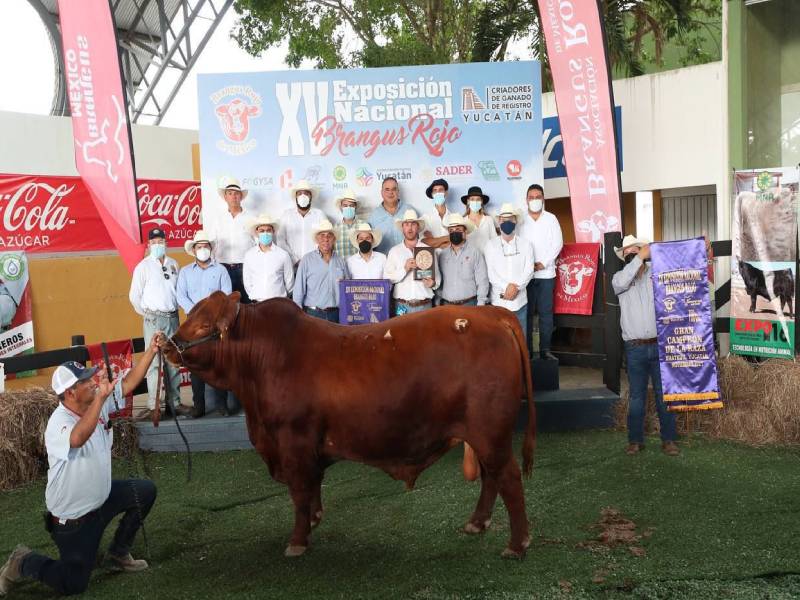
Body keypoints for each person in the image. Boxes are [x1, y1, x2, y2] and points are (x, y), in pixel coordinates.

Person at [0, 338, 162, 596]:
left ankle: (118, 552)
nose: (93, 383)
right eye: (85, 381)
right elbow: (77, 437)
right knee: (73, 584)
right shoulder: (58, 423)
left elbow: (129, 383)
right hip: (74, 520)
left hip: (102, 497)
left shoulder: (93, 401)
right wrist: (101, 400)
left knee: (145, 491)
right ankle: (23, 561)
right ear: (71, 393)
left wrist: (152, 351)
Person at [612, 235, 679, 457]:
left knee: (664, 396)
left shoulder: (658, 276)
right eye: (629, 255)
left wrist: (702, 252)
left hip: (659, 344)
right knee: (637, 396)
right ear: (626, 259)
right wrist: (639, 258)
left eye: (637, 252)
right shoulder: (619, 279)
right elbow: (622, 281)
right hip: (635, 348)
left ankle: (668, 440)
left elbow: (682, 270)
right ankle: (635, 440)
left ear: (646, 255)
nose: (634, 257)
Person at [128, 228, 188, 420]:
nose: (157, 245)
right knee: (153, 362)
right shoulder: (143, 267)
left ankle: (174, 403)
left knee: (173, 360)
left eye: (160, 241)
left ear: (166, 243)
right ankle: (154, 406)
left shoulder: (174, 264)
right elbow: (134, 297)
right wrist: (148, 314)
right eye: (154, 242)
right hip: (154, 317)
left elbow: (177, 291)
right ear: (148, 245)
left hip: (172, 316)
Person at [176, 230, 232, 418]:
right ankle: (198, 406)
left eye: (206, 246)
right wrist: (197, 314)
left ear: (210, 248)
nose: (203, 249)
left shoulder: (221, 270)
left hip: (215, 326)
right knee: (196, 367)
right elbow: (181, 295)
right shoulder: (184, 273)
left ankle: (222, 405)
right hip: (193, 328)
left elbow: (226, 295)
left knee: (219, 364)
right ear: (194, 249)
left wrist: (211, 315)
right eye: (199, 247)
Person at [518, 184, 564, 361]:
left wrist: (543, 264)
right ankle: (527, 351)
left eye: (538, 197)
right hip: (526, 276)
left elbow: (557, 244)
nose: (535, 200)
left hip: (546, 275)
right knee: (527, 313)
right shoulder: (520, 220)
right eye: (531, 197)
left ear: (543, 199)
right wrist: (529, 265)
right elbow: (518, 245)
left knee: (546, 313)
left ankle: (545, 349)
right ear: (526, 200)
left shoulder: (551, 219)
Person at [484, 203, 535, 340]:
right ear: (499, 221)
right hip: (499, 303)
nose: (507, 223)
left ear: (516, 221)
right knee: (500, 342)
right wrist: (507, 287)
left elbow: (529, 270)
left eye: (510, 219)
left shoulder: (526, 244)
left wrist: (516, 287)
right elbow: (491, 272)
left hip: (520, 303)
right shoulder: (490, 245)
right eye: (503, 220)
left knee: (520, 340)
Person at [204, 176, 254, 303]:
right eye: (230, 193)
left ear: (241, 196)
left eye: (236, 193)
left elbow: (258, 243)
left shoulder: (251, 219)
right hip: (222, 267)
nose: (233, 196)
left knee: (246, 305)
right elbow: (211, 244)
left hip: (245, 268)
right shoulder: (218, 220)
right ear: (225, 197)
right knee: (224, 307)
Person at [384, 208, 440, 315]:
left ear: (418, 227)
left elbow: (437, 279)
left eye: (413, 224)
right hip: (402, 306)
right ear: (402, 228)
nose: (410, 228)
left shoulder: (428, 250)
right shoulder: (394, 251)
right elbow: (388, 279)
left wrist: (432, 283)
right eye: (406, 224)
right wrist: (405, 269)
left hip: (425, 306)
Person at [292, 220, 349, 322]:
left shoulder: (341, 261)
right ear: (317, 239)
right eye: (322, 235)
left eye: (329, 235)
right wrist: (297, 316)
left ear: (334, 239)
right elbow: (298, 291)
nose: (326, 239)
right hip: (313, 314)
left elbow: (347, 290)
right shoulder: (307, 260)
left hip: (336, 315)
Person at [437, 213, 489, 307]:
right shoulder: (442, 255)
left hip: (469, 304)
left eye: (458, 230)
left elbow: (482, 280)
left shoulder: (475, 253)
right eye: (451, 230)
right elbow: (439, 281)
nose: (454, 232)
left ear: (465, 233)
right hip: (447, 305)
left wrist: (481, 304)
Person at [243, 214, 295, 302]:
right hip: (256, 305)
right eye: (262, 231)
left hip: (277, 304)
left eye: (268, 230)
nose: (265, 233)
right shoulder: (249, 255)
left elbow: (289, 283)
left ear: (273, 232)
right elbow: (247, 282)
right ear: (257, 233)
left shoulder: (283, 255)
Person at [277, 179, 327, 266]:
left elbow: (325, 239)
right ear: (295, 197)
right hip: (292, 266)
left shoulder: (319, 215)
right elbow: (280, 240)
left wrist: (314, 259)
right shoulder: (287, 215)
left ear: (311, 196)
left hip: (315, 265)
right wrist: (294, 260)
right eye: (299, 193)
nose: (303, 196)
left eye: (306, 193)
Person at [368, 177, 410, 254]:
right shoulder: (373, 216)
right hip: (384, 263)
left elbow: (420, 239)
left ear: (398, 191)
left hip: (408, 261)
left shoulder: (410, 210)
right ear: (382, 192)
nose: (390, 192)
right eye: (387, 189)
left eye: (394, 189)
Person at [461, 185, 497, 253]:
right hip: (469, 259)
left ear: (481, 201)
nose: (475, 201)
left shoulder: (488, 220)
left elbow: (494, 241)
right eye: (472, 199)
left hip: (487, 258)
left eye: (478, 199)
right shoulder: (462, 221)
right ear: (468, 201)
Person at [333, 188, 367, 259]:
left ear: (355, 207)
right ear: (341, 207)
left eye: (351, 205)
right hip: (341, 268)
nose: (348, 208)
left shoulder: (363, 225)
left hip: (359, 267)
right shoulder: (335, 228)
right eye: (345, 205)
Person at [421, 178, 452, 246]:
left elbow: (456, 242)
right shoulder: (425, 218)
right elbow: (424, 243)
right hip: (432, 256)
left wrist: (434, 241)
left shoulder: (454, 217)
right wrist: (447, 238)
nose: (438, 193)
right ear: (432, 194)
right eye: (435, 190)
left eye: (441, 190)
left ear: (446, 193)